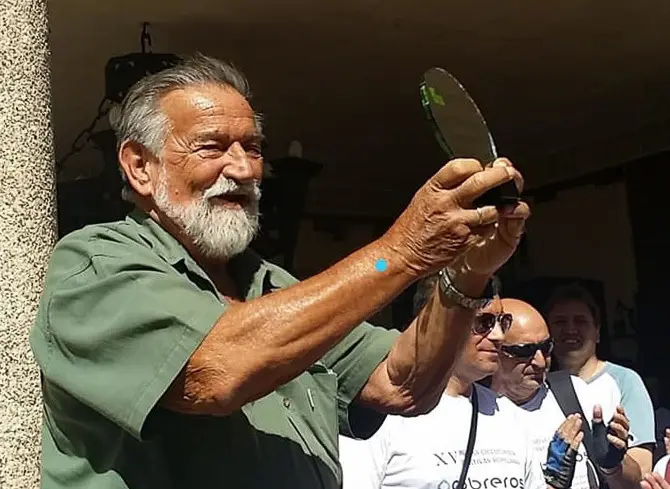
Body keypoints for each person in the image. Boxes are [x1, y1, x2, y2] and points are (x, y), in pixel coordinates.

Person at [29, 54, 530, 489]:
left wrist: (466, 274)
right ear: (140, 166)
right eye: (211, 146)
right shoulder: (96, 264)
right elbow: (217, 371)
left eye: (252, 147)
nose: (244, 169)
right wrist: (401, 253)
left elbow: (402, 383)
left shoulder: (271, 285)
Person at [339, 278, 583, 489]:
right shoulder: (380, 414)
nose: (498, 336)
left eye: (502, 322)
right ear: (435, 323)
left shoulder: (509, 415)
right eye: (484, 323)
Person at [492, 298, 640, 489]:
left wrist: (613, 466)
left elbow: (634, 483)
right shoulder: (477, 413)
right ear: (493, 350)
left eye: (545, 348)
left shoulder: (578, 394)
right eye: (524, 351)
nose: (540, 361)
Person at [546, 284, 655, 477]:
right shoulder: (538, 386)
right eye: (560, 322)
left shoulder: (625, 380)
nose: (570, 329)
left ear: (597, 331)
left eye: (580, 321)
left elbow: (643, 467)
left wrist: (612, 459)